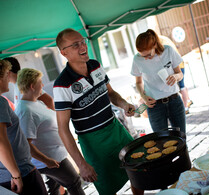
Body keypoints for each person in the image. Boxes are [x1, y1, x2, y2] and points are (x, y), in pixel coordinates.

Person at [53, 28, 144, 195]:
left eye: (83, 42)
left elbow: (110, 93)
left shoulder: (95, 65)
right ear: (63, 52)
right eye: (75, 45)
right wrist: (81, 164)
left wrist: (124, 104)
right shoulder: (62, 84)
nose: (82, 47)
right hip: (93, 143)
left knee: (137, 170)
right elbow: (63, 129)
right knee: (107, 187)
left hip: (115, 129)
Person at [15, 68, 85, 195]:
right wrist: (47, 160)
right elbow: (25, 144)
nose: (42, 85)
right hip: (51, 160)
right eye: (40, 82)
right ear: (32, 86)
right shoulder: (25, 111)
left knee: (54, 189)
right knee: (74, 182)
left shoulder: (35, 102)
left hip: (54, 156)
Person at [0, 59, 47, 195]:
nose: (8, 79)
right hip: (20, 173)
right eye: (5, 75)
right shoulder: (0, 102)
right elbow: (1, 141)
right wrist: (16, 175)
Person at [131, 29, 186, 133]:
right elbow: (138, 82)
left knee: (181, 138)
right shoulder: (137, 59)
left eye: (148, 55)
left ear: (155, 45)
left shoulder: (168, 51)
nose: (146, 59)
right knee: (161, 141)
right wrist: (144, 97)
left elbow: (180, 74)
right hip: (154, 106)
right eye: (143, 56)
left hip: (174, 101)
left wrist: (175, 77)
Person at [159, 35, 193, 114]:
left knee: (181, 87)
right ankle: (188, 101)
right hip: (180, 63)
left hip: (177, 65)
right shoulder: (164, 39)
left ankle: (185, 108)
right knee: (182, 85)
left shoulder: (161, 43)